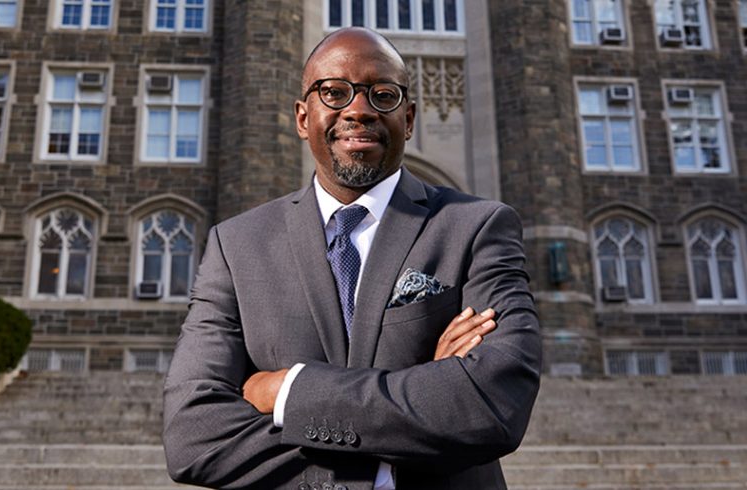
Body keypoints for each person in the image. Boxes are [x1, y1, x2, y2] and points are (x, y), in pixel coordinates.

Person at [162, 27, 541, 490]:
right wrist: (423, 393)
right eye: (334, 92)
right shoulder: (236, 245)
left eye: (382, 94)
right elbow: (192, 436)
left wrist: (288, 392)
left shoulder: (478, 227)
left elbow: (490, 404)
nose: (358, 109)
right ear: (303, 118)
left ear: (410, 117)